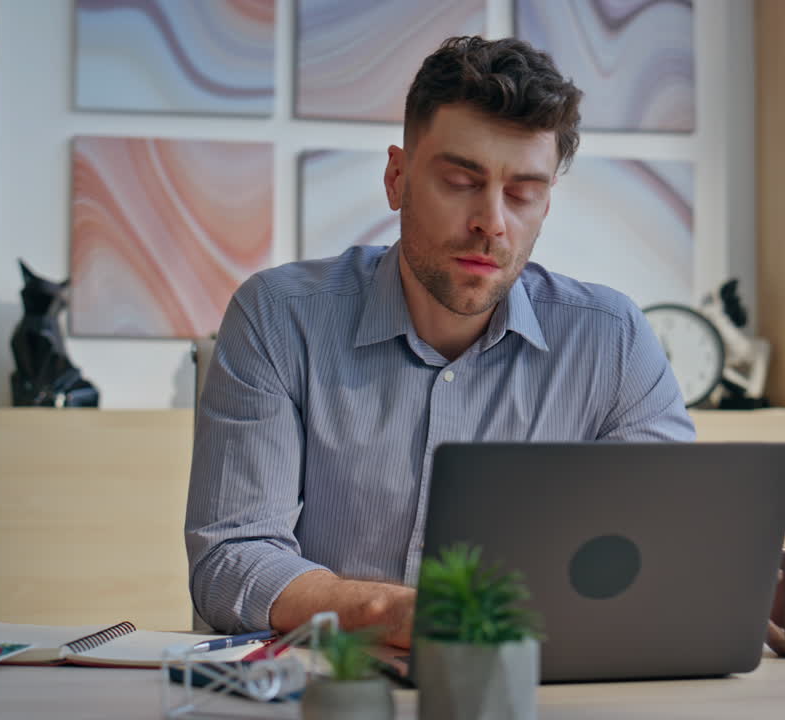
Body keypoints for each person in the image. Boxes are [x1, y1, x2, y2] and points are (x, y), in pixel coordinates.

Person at [186, 35, 694, 647]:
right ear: (397, 178)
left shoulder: (612, 341)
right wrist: (398, 613)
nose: (492, 222)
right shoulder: (278, 318)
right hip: (337, 694)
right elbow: (231, 563)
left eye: (523, 193)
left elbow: (669, 555)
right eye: (460, 180)